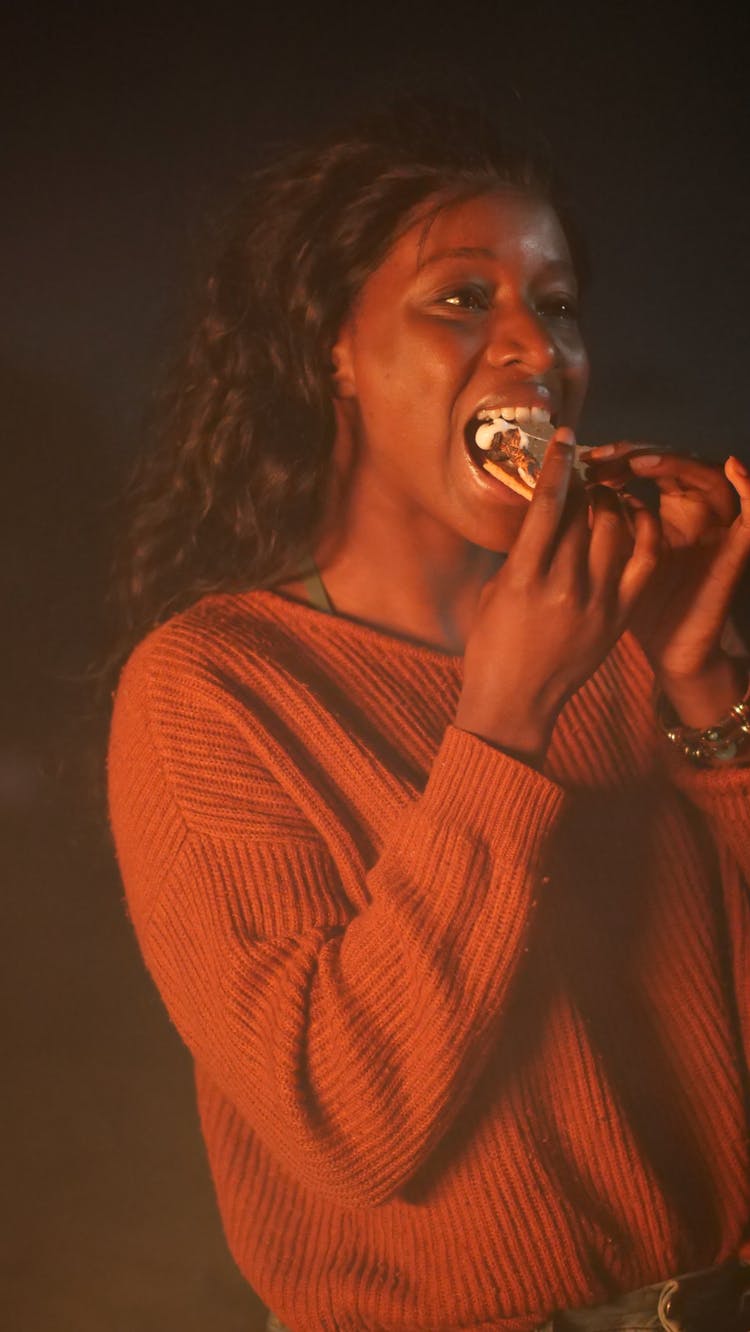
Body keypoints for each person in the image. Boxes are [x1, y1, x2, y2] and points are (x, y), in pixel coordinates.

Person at [107, 101, 750, 1331]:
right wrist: (502, 724)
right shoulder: (211, 689)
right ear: (331, 350)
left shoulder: (625, 644)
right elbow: (350, 1127)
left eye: (553, 305)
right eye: (462, 300)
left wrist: (701, 675)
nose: (536, 349)